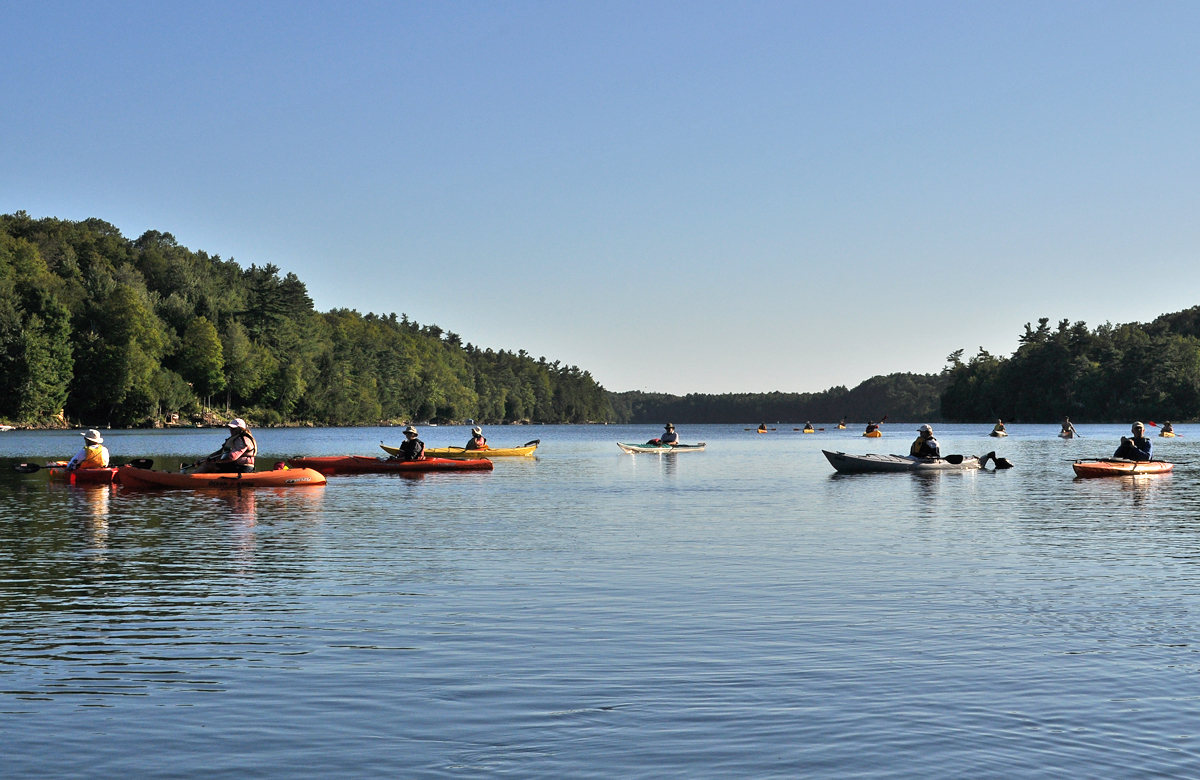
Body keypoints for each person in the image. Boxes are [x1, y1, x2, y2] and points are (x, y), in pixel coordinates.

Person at [193, 418, 257, 473]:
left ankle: (189, 478)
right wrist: (203, 460)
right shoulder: (234, 439)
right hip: (234, 466)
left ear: (240, 429)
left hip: (243, 468)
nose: (231, 430)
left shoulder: (242, 440)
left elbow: (232, 457)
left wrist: (214, 460)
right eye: (230, 428)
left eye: (233, 429)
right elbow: (219, 453)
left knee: (209, 466)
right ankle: (190, 476)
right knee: (208, 464)